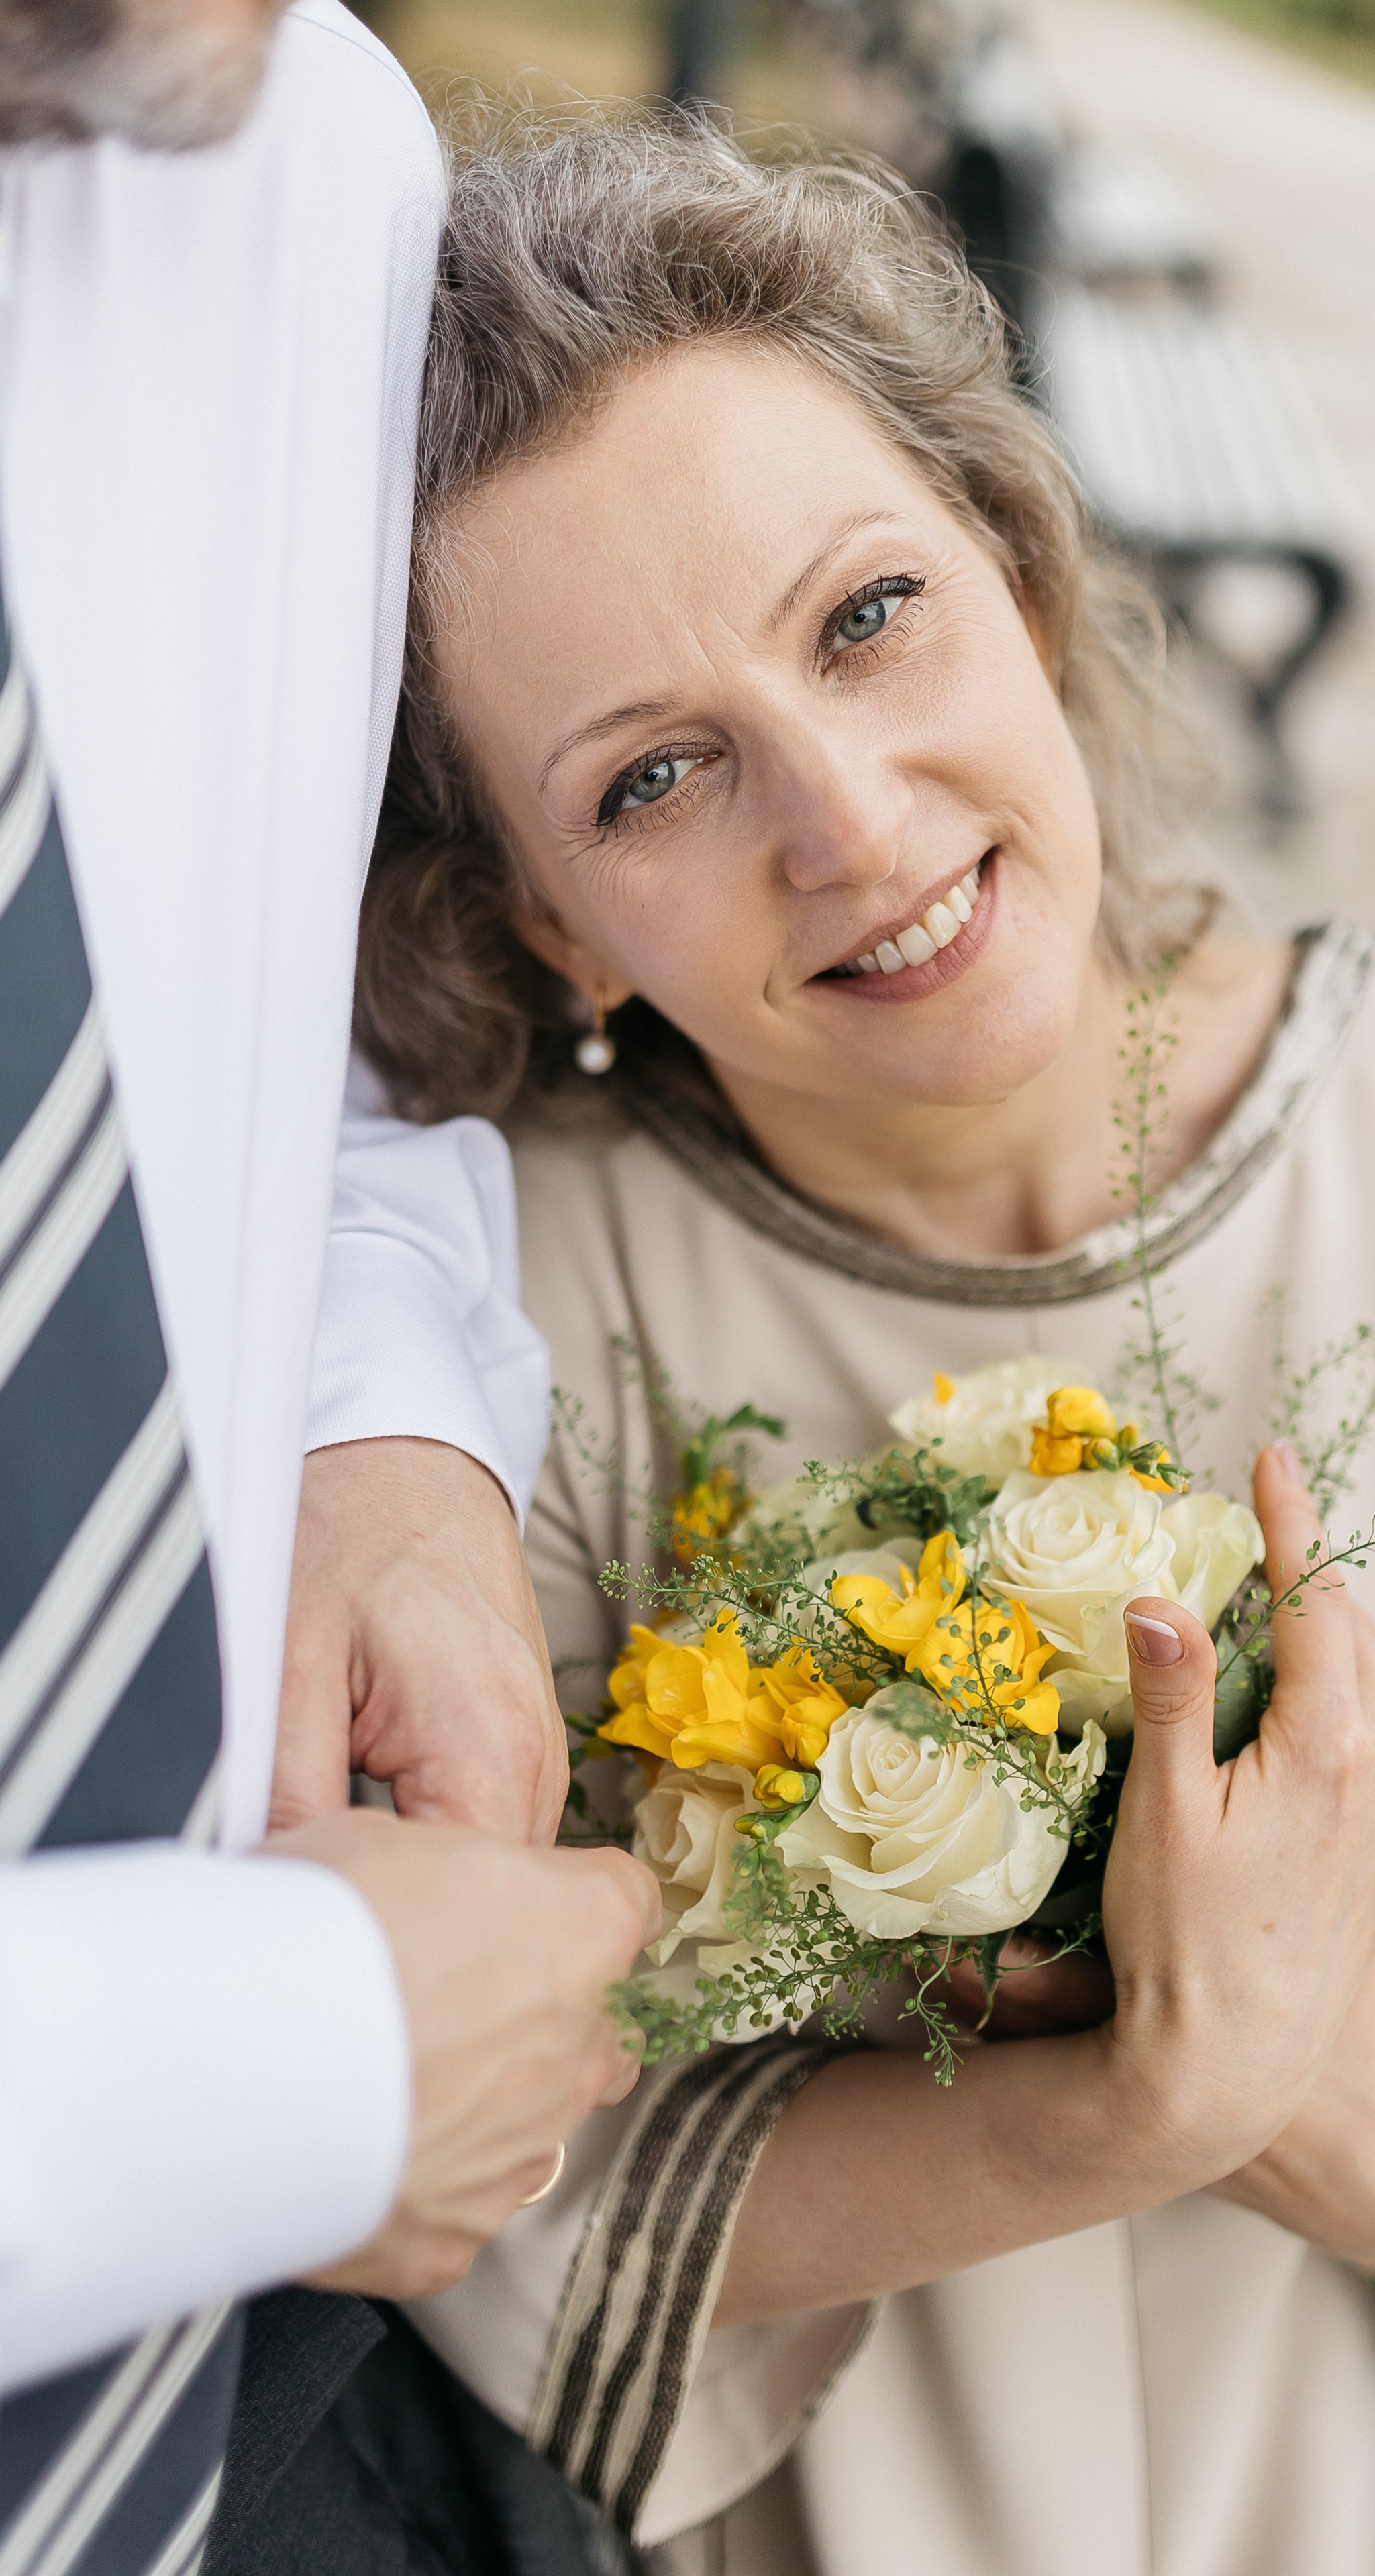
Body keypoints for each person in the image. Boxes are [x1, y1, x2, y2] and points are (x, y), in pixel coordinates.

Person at [336, 104, 1375, 2574]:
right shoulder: (496, 1342)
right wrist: (1141, 2108)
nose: (852, 826)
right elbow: (501, 2160)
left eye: (869, 616)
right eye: (653, 779)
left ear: (1026, 565)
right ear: (540, 922)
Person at [0, 9, 660, 2569]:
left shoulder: (293, 164)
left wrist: (370, 1409)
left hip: (272, 2429)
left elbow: (241, 1021)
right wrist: (259, 2077)